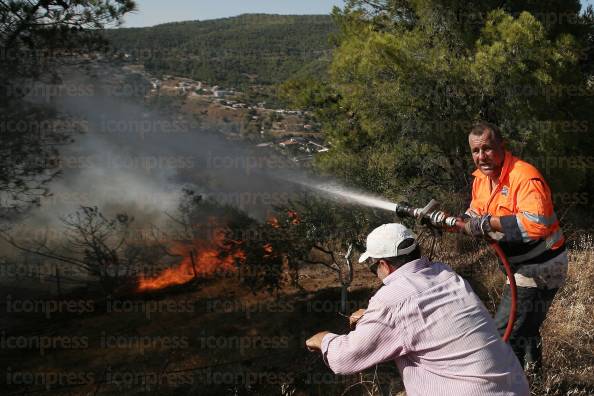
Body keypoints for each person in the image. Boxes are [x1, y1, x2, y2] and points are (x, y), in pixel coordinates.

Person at [306, 223, 529, 396]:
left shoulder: (391, 302)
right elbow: (420, 317)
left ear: (384, 265)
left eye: (373, 266)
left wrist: (322, 339)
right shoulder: (445, 274)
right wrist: (372, 317)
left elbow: (346, 357)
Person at [459, 121, 568, 372]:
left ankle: (511, 385)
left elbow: (536, 224)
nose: (481, 156)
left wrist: (488, 223)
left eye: (487, 149)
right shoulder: (482, 179)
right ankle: (534, 376)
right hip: (520, 264)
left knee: (504, 336)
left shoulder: (524, 176)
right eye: (475, 151)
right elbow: (477, 209)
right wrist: (463, 220)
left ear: (502, 146)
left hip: (541, 265)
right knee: (526, 326)